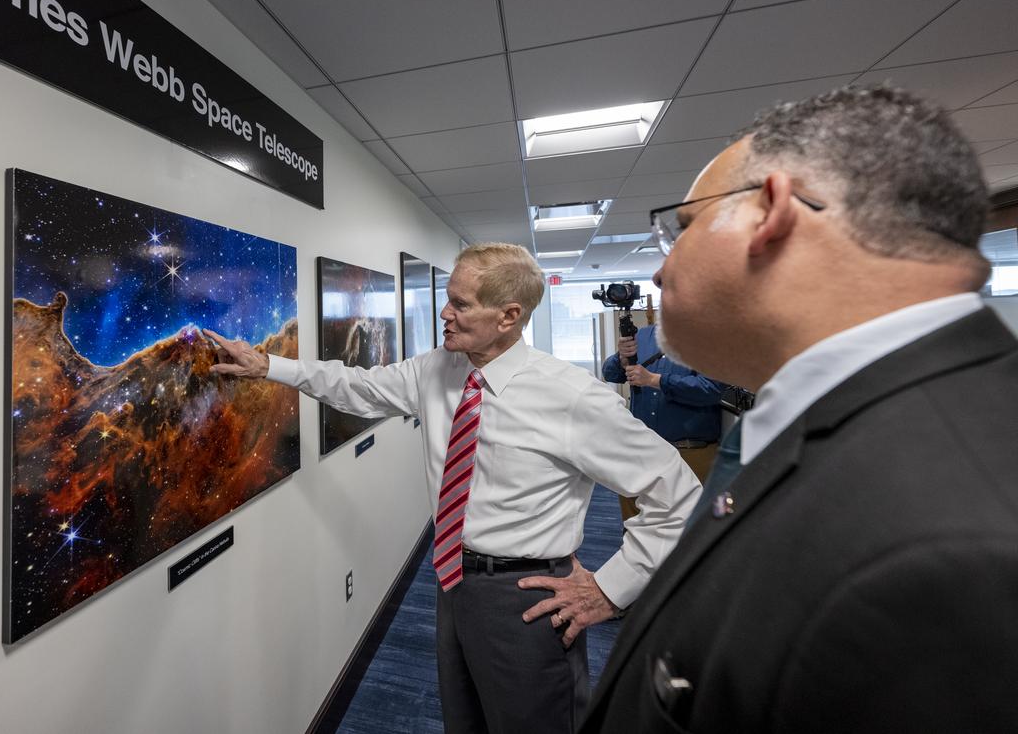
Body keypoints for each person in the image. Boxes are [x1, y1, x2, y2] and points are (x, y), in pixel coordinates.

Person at [584, 84, 1018, 733]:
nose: (657, 272)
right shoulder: (858, 420)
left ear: (774, 213)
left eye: (682, 228)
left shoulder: (957, 551)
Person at [205, 243, 700, 733]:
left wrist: (610, 590)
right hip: (450, 580)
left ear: (508, 316)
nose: (444, 313)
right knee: (465, 720)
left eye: (460, 304)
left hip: (527, 597)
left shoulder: (571, 397)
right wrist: (268, 366)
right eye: (448, 298)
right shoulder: (436, 370)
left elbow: (678, 496)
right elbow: (357, 386)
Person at [601, 323, 725, 521]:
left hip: (690, 452)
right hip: (643, 449)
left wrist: (655, 380)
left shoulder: (708, 335)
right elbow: (610, 374)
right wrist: (620, 358)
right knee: (636, 521)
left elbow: (711, 389)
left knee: (692, 525)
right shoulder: (642, 335)